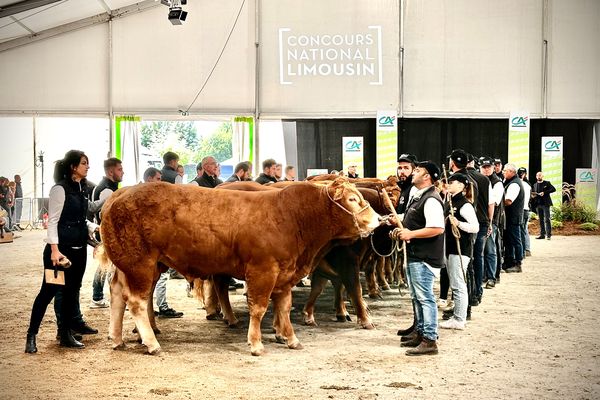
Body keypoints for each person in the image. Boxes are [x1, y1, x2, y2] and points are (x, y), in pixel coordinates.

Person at [25, 150, 100, 353]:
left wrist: (93, 230)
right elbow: (53, 222)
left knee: (70, 293)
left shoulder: (82, 188)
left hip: (79, 250)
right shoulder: (60, 189)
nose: (87, 166)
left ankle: (65, 334)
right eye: (84, 163)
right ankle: (31, 335)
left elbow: (79, 219)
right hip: (60, 253)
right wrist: (55, 251)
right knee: (47, 292)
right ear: (73, 167)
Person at [392, 161, 445, 356]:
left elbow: (437, 228)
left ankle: (430, 339)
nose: (413, 173)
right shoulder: (419, 196)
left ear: (427, 176)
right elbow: (413, 218)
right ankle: (421, 333)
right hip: (416, 255)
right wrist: (395, 219)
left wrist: (410, 234)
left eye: (417, 170)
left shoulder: (431, 199)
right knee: (417, 297)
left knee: (425, 298)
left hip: (424, 256)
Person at [440, 173, 478, 330]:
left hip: (460, 249)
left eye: (452, 182)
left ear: (462, 186)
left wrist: (459, 223)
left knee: (458, 284)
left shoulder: (465, 204)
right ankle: (457, 317)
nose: (448, 183)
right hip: (450, 248)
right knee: (455, 283)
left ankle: (459, 319)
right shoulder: (449, 201)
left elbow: (475, 227)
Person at [89, 158, 124, 309]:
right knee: (106, 263)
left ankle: (99, 297)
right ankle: (97, 297)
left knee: (107, 264)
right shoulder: (107, 190)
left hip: (103, 230)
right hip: (105, 231)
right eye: (119, 169)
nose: (122, 172)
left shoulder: (105, 187)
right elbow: (105, 213)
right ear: (111, 171)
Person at [480, 156, 504, 288]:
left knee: (490, 249)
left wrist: (490, 222)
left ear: (493, 168)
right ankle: (485, 275)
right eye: (484, 167)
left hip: (491, 221)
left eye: (488, 167)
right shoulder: (480, 180)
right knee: (482, 250)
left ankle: (492, 277)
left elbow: (494, 203)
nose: (486, 169)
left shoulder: (497, 183)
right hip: (481, 220)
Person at [502, 164, 525, 273]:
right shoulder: (511, 182)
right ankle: (509, 262)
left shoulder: (514, 184)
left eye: (505, 170)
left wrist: (497, 204)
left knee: (515, 241)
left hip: (513, 217)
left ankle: (518, 263)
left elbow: (508, 201)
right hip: (511, 217)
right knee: (509, 241)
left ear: (512, 172)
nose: (503, 172)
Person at [531, 171, 556, 240]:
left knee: (547, 219)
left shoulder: (547, 183)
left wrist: (544, 192)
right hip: (538, 204)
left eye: (540, 175)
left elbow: (553, 189)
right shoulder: (535, 185)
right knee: (541, 220)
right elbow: (534, 193)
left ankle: (549, 235)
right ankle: (542, 234)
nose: (538, 177)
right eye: (537, 175)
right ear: (536, 177)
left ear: (542, 176)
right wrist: (533, 195)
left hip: (545, 204)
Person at [518, 167, 532, 257]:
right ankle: (527, 249)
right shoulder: (528, 185)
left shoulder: (517, 184)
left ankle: (522, 251)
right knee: (524, 230)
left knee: (520, 231)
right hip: (526, 209)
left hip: (520, 210)